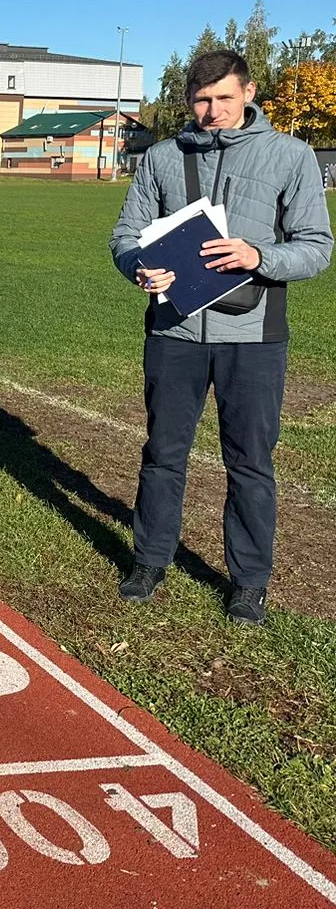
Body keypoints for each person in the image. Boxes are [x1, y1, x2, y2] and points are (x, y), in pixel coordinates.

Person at [110, 49, 332, 625]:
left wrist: (258, 256)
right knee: (163, 453)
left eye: (224, 99)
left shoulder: (291, 156)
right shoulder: (161, 157)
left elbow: (317, 246)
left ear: (249, 92)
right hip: (174, 330)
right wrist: (138, 266)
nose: (211, 112)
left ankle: (249, 580)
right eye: (201, 100)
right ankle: (150, 559)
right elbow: (126, 235)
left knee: (251, 462)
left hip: (254, 336)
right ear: (188, 100)